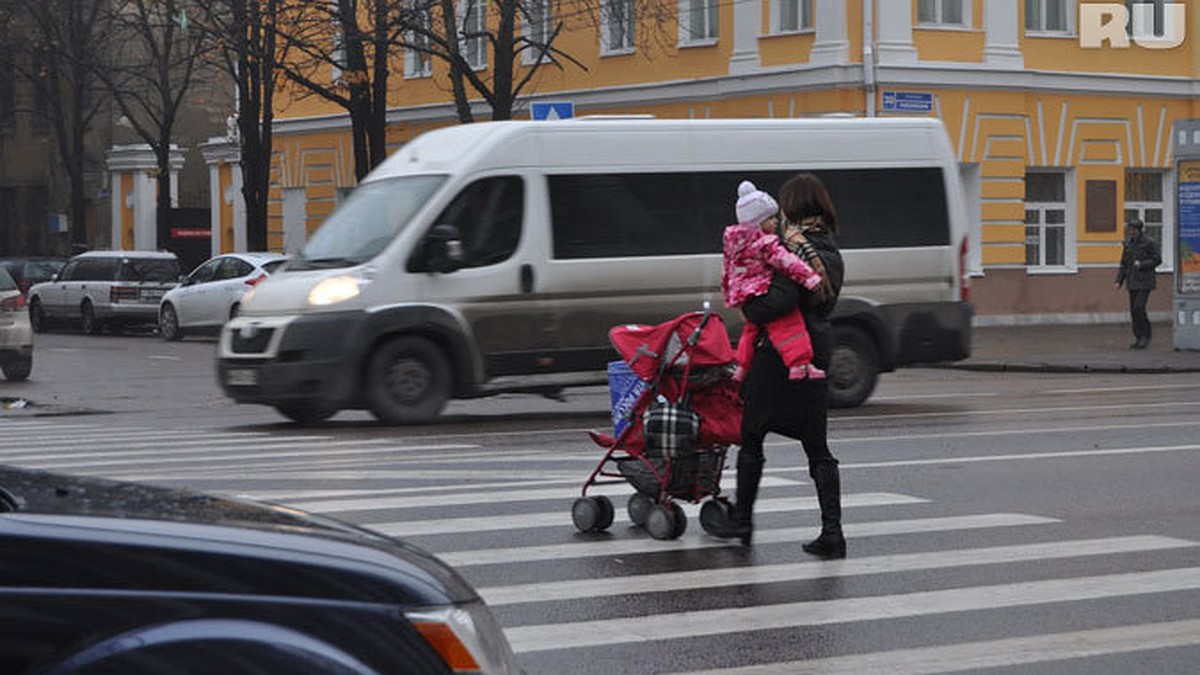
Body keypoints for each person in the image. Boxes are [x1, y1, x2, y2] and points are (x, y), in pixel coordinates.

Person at [713, 172, 846, 559]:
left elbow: (781, 300)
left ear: (794, 207)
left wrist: (749, 308)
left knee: (752, 435)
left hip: (779, 354)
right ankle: (832, 532)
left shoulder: (791, 247)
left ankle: (742, 521)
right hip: (815, 352)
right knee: (817, 447)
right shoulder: (830, 251)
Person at [722, 180, 824, 382]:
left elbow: (727, 272)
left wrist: (731, 297)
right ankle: (799, 365)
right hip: (763, 290)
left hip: (745, 295)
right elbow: (788, 262)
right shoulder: (765, 243)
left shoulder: (733, 244)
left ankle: (742, 368)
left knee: (751, 330)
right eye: (771, 218)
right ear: (759, 222)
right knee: (789, 324)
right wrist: (810, 278)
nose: (776, 222)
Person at [1115, 218, 1161, 350]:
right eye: (1129, 229)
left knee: (1139, 308)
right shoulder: (1129, 243)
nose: (1131, 231)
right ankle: (1138, 337)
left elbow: (1157, 260)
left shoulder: (1149, 243)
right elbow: (1124, 263)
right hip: (1132, 281)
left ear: (1139, 230)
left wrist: (1142, 264)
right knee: (1134, 311)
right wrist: (1119, 280)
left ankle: (1146, 336)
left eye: (1133, 229)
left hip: (1145, 281)